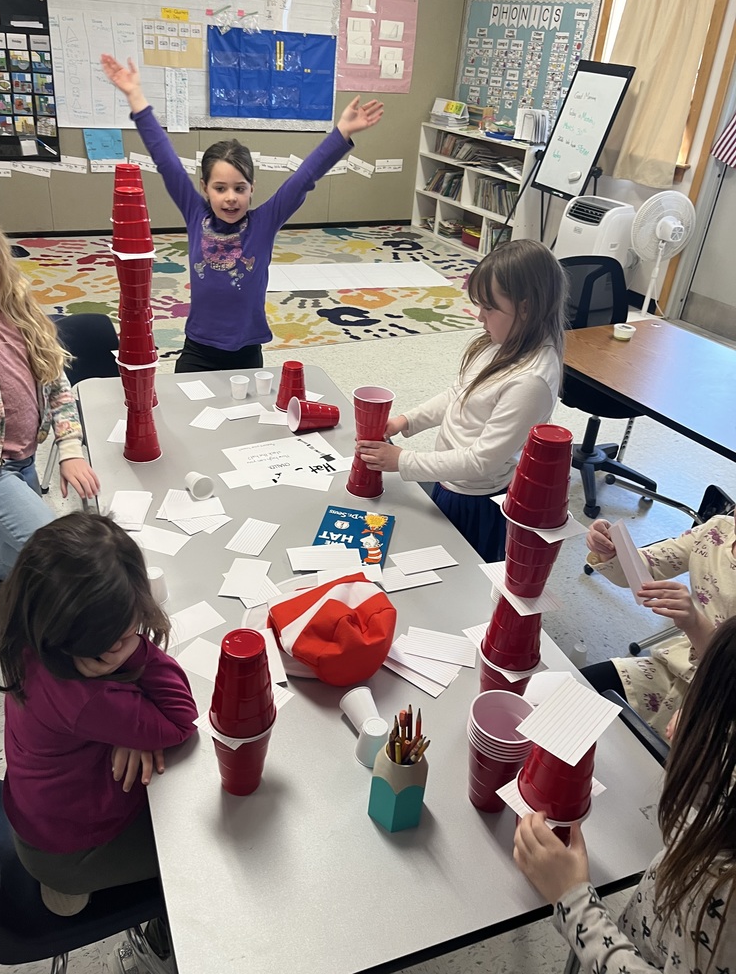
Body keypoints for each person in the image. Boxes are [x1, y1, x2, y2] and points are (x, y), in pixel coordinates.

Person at [100, 53, 384, 374]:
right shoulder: (196, 214)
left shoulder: (264, 222)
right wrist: (136, 97)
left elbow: (304, 178)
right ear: (205, 187)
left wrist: (341, 132)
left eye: (240, 188)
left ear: (252, 188)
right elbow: (166, 160)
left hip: (247, 350)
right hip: (198, 348)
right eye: (221, 188)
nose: (231, 198)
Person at [0, 511, 198, 926]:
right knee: (206, 850)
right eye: (118, 638)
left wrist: (129, 728)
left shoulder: (31, 633)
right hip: (69, 854)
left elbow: (104, 714)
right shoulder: (88, 701)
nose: (130, 637)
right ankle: (74, 886)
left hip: (40, 814)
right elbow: (180, 719)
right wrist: (138, 651)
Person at [513, 614, 736, 973]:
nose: (678, 722)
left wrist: (574, 902)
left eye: (701, 709)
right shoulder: (714, 816)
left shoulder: (723, 893)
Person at [357, 239, 566, 562]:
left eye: (489, 307)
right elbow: (458, 395)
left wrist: (402, 461)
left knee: (461, 576)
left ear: (526, 307)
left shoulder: (531, 381)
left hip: (476, 498)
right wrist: (405, 421)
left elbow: (482, 461)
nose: (479, 317)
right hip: (449, 480)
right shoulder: (498, 343)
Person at [0, 197, 100, 606]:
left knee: (39, 555)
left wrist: (70, 449)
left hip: (23, 460)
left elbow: (56, 381)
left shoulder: (16, 308)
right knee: (57, 558)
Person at [580, 510, 736, 739]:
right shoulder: (718, 530)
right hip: (679, 669)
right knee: (574, 693)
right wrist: (611, 549)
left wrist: (694, 624)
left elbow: (727, 671)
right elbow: (641, 570)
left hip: (725, 703)